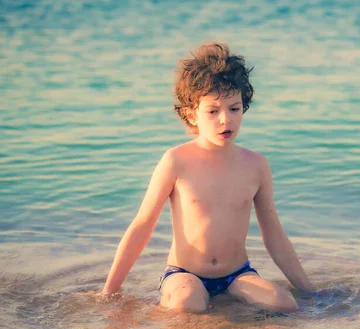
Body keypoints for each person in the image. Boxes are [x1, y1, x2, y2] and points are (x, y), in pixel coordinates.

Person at [102, 42, 314, 313]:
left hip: (237, 274)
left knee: (283, 303)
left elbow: (273, 233)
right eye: (213, 111)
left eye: (234, 109)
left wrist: (309, 291)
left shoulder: (256, 165)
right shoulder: (176, 160)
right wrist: (109, 291)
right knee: (186, 303)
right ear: (191, 115)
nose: (226, 120)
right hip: (184, 273)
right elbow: (142, 225)